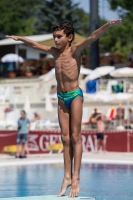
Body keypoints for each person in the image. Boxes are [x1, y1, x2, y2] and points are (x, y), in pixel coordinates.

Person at [6, 19, 121, 197]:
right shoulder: (54, 52)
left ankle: (76, 177)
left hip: (74, 95)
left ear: (69, 37)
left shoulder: (75, 50)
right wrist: (20, 38)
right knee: (65, 138)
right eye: (54, 36)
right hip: (61, 97)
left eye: (59, 37)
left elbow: (92, 37)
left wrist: (108, 25)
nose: (56, 40)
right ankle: (66, 176)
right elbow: (35, 45)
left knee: (76, 136)